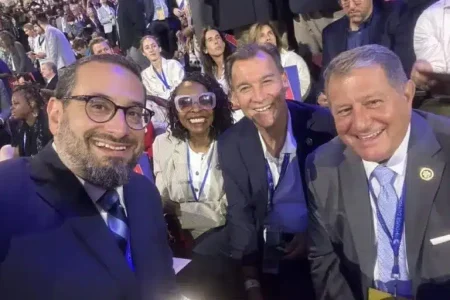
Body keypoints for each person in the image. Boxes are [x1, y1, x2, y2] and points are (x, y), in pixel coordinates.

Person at [0, 54, 179, 299]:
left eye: (135, 112)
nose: (120, 130)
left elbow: (163, 285)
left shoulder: (143, 192)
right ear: (55, 114)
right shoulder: (7, 193)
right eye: (98, 106)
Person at [306, 44, 450, 300]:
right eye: (344, 110)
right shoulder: (322, 167)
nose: (361, 123)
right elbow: (328, 266)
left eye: (373, 102)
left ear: (407, 95)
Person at [219, 43, 336, 300]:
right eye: (245, 88)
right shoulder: (231, 144)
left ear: (284, 80)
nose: (259, 96)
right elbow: (240, 215)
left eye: (267, 81)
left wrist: (314, 236)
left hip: (324, 244)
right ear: (234, 98)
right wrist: (251, 283)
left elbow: (347, 201)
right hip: (270, 249)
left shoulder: (325, 126)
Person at [248, 22, 311, 101]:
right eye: (262, 36)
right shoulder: (250, 66)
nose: (268, 38)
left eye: (270, 33)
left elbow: (304, 86)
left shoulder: (293, 59)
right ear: (254, 42)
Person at [141, 35, 184, 134]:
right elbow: (151, 98)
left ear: (159, 48)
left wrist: (160, 96)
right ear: (144, 53)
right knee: (147, 105)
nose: (151, 50)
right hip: (160, 111)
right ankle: (162, 133)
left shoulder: (174, 64)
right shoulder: (144, 75)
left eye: (153, 46)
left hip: (178, 105)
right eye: (147, 48)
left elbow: (180, 89)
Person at [0, 83, 51, 161]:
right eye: (12, 104)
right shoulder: (22, 127)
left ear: (32, 103)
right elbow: (18, 154)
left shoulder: (47, 126)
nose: (11, 108)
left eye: (16, 103)